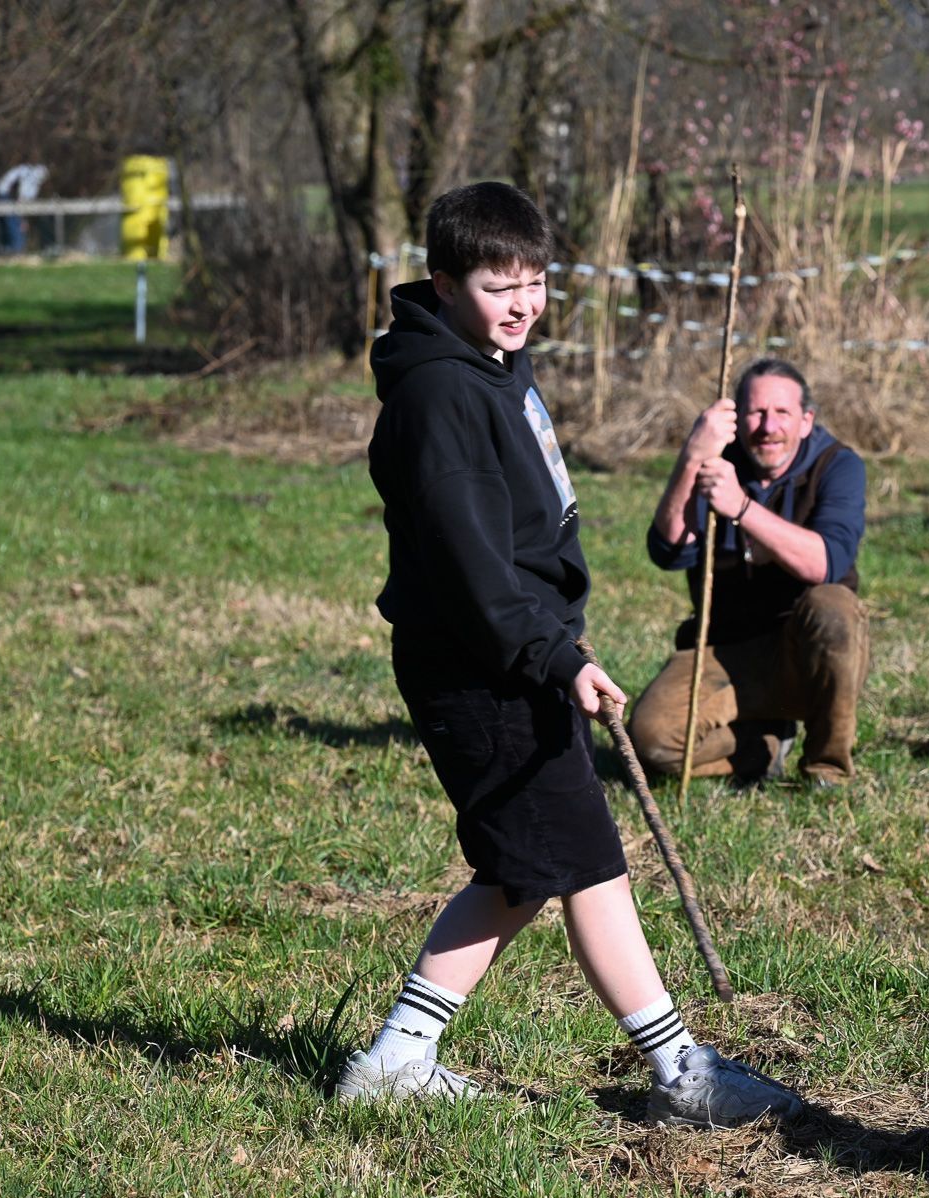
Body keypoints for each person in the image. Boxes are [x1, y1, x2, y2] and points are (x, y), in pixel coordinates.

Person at [338, 181, 803, 1128]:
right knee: (579, 861)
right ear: (443, 280)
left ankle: (400, 1057)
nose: (522, 304)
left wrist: (554, 635)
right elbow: (472, 569)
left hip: (513, 653)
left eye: (537, 282)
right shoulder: (439, 395)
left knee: (529, 865)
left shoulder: (490, 364)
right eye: (497, 285)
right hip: (482, 668)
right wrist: (553, 656)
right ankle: (683, 1074)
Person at [630, 358, 868, 787]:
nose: (768, 427)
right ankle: (764, 746)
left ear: (805, 420)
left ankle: (826, 767)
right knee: (650, 740)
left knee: (833, 605)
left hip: (807, 655)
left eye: (782, 414)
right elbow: (669, 551)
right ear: (736, 418)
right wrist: (692, 456)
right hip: (725, 651)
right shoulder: (717, 462)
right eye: (756, 413)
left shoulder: (838, 466)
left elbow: (825, 563)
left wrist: (741, 508)